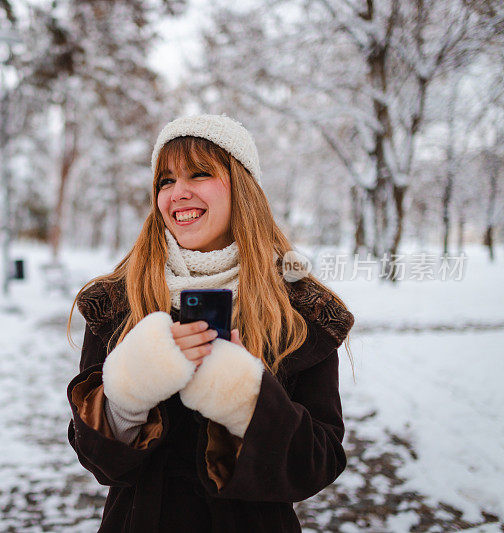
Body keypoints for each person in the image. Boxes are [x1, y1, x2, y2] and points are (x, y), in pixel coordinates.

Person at [65, 114, 355, 532]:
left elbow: (317, 463)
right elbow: (99, 464)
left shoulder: (301, 311)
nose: (177, 193)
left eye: (198, 174)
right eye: (165, 181)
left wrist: (242, 398)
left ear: (242, 186)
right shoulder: (117, 301)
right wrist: (127, 395)